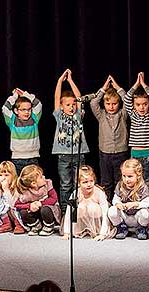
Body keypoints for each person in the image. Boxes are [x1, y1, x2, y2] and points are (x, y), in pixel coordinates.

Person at [52, 69, 89, 216]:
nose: (71, 107)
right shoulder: (59, 115)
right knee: (65, 185)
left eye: (73, 104)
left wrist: (71, 80)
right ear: (62, 106)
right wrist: (60, 81)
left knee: (78, 184)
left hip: (79, 155)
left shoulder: (79, 115)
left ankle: (77, 213)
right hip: (63, 155)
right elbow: (56, 97)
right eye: (68, 104)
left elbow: (79, 96)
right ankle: (65, 212)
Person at [90, 75, 128, 202]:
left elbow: (128, 101)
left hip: (121, 152)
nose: (111, 106)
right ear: (104, 104)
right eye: (108, 103)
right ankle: (106, 204)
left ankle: (118, 203)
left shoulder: (122, 114)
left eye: (114, 103)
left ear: (118, 103)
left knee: (119, 180)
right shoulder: (101, 115)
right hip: (105, 153)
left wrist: (118, 88)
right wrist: (104, 88)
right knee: (106, 181)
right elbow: (93, 102)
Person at [123, 72, 149, 191]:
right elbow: (127, 98)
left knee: (148, 180)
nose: (142, 107)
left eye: (145, 104)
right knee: (134, 181)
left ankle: (147, 205)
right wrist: (136, 84)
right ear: (134, 106)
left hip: (148, 153)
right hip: (135, 154)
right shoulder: (133, 115)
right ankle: (136, 201)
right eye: (138, 105)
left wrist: (144, 85)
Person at [62, 165, 114, 240]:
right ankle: (81, 229)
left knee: (92, 207)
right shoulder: (76, 193)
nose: (89, 184)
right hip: (82, 221)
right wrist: (67, 232)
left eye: (91, 181)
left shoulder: (99, 193)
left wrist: (103, 234)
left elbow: (105, 213)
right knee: (80, 207)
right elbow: (69, 212)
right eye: (85, 182)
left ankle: (95, 230)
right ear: (79, 183)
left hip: (97, 222)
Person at [108, 158, 149, 240]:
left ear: (138, 175)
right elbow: (115, 199)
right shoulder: (120, 185)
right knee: (112, 210)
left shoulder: (143, 187)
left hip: (137, 217)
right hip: (125, 216)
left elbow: (146, 203)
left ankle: (142, 228)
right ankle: (121, 227)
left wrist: (135, 204)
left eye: (130, 176)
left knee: (145, 213)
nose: (126, 179)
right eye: (124, 176)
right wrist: (118, 204)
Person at [2, 87, 42, 174]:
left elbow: (38, 104)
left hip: (33, 158)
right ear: (16, 111)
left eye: (29, 109)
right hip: (17, 159)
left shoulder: (34, 118)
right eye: (23, 110)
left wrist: (24, 94)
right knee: (19, 184)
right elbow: (5, 108)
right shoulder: (12, 120)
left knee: (33, 184)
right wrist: (15, 96)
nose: (27, 112)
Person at [14, 165, 61, 236]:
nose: (44, 177)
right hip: (35, 212)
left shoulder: (48, 184)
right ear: (33, 183)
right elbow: (17, 205)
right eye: (41, 177)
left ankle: (49, 226)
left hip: (48, 210)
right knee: (23, 212)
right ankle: (36, 225)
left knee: (45, 210)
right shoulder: (25, 192)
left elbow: (54, 199)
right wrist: (29, 206)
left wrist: (40, 203)